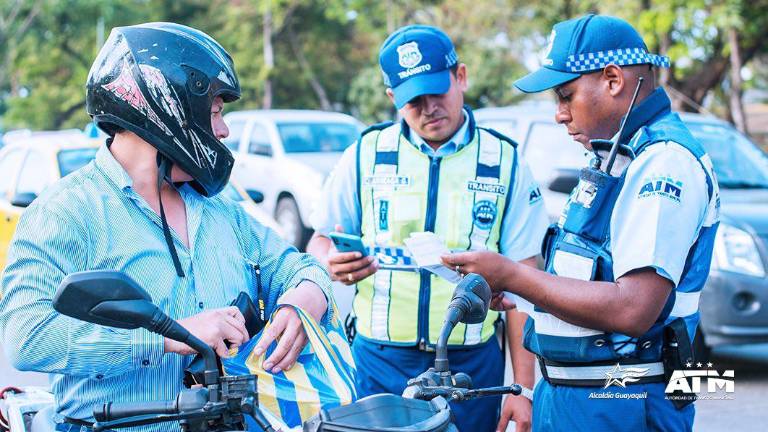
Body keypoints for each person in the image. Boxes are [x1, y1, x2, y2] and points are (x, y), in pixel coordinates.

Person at [0, 23, 331, 432]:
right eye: (215, 113)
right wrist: (168, 338)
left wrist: (304, 301)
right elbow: (27, 336)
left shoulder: (220, 211)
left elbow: (299, 267)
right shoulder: (64, 213)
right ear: (165, 110)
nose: (224, 131)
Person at [442, 14, 720, 432]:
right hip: (576, 400)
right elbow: (590, 277)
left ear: (612, 80)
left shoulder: (666, 163)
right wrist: (528, 295)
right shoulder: (617, 155)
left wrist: (513, 275)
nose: (558, 114)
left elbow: (634, 308)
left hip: (622, 401)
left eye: (565, 95)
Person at [307, 25, 549, 432]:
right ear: (392, 99)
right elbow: (319, 241)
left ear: (461, 77)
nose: (429, 107)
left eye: (437, 91)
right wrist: (331, 262)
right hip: (380, 362)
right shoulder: (366, 154)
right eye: (413, 100)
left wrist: (523, 390)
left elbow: (527, 279)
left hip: (471, 367)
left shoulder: (504, 160)